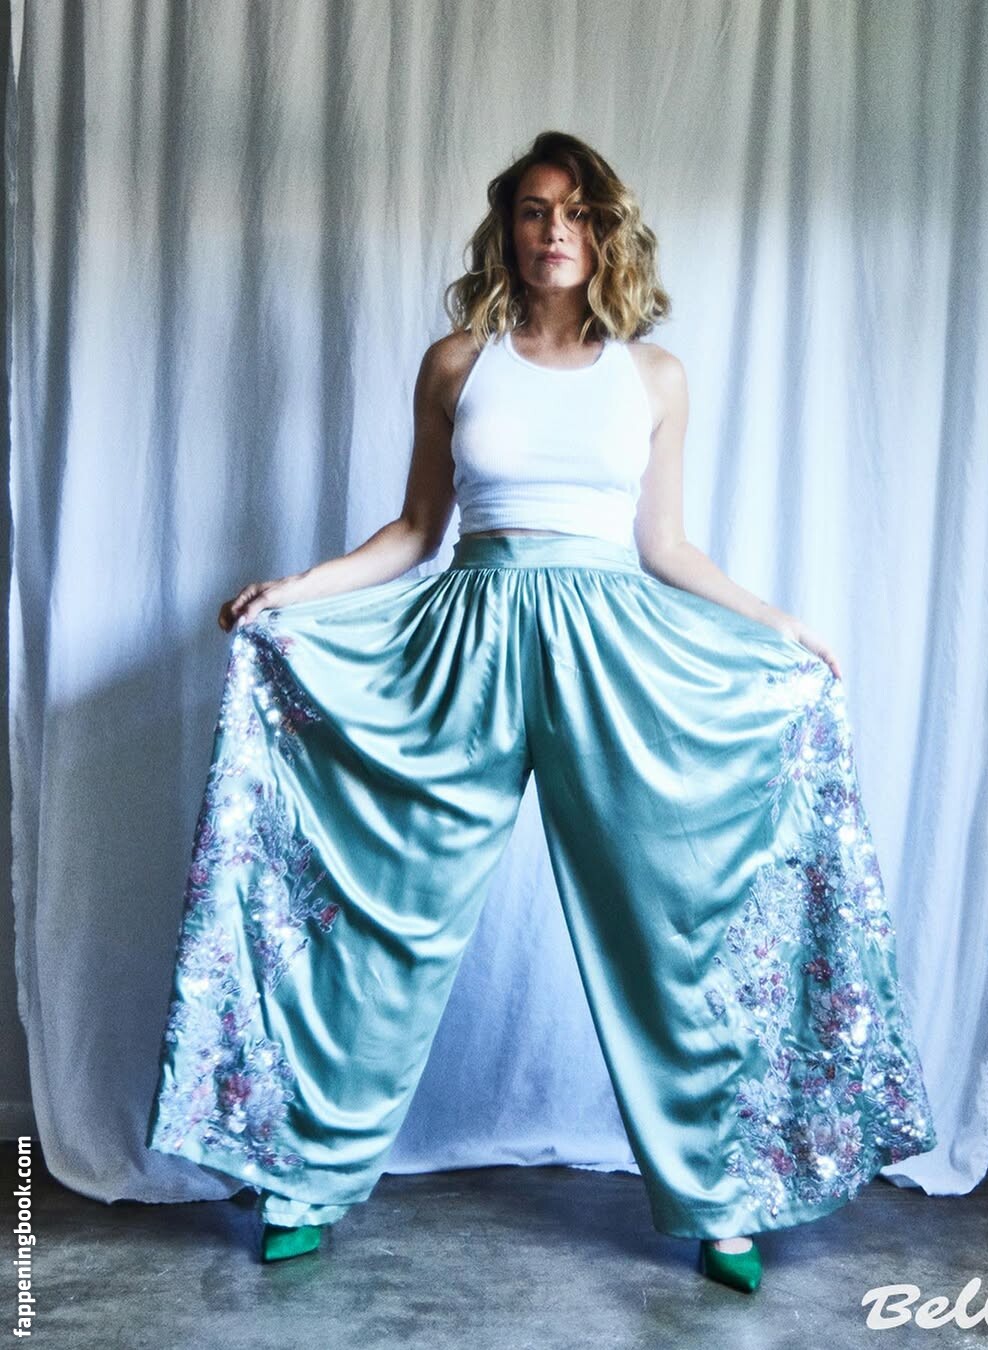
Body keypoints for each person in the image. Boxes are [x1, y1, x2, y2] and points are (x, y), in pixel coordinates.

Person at [145, 130, 937, 1292]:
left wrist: (782, 626)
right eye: (532, 209)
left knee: (666, 922)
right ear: (507, 228)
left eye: (575, 212)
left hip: (613, 651)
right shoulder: (457, 362)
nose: (553, 229)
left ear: (605, 232)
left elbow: (666, 546)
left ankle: (724, 1200)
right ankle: (302, 1181)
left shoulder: (652, 376)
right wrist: (299, 589)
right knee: (389, 920)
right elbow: (418, 530)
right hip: (467, 639)